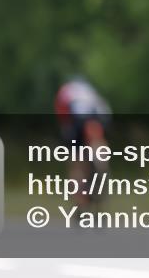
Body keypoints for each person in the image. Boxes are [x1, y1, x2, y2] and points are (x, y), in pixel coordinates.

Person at [54, 76, 112, 211]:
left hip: (76, 122)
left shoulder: (65, 90)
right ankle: (101, 168)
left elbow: (62, 117)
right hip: (98, 118)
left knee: (77, 164)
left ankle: (80, 204)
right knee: (99, 146)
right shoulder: (90, 90)